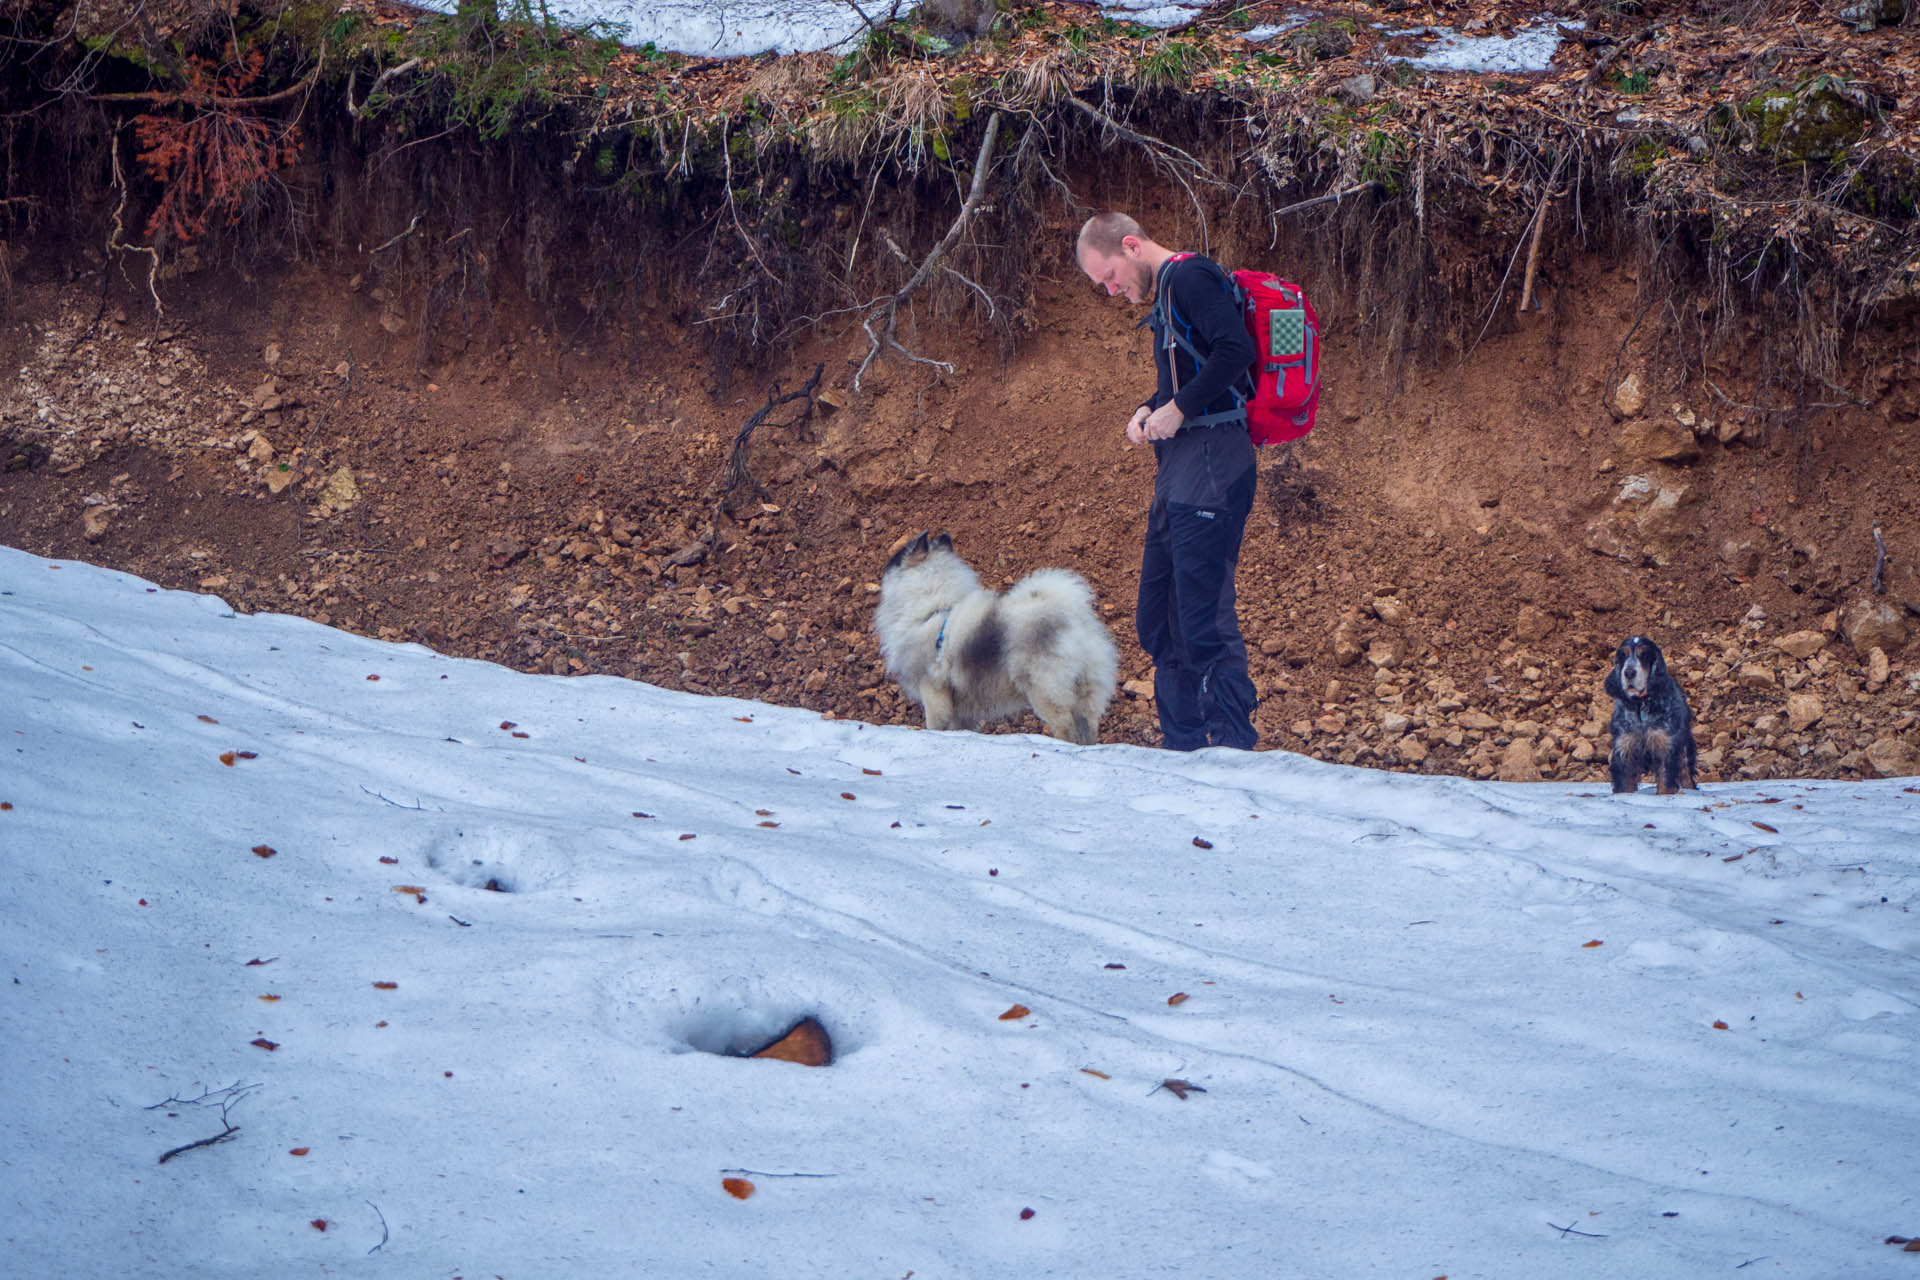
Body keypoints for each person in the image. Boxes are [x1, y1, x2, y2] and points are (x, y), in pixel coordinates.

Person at [1075, 211, 1260, 751]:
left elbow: (1235, 352)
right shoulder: (1166, 297)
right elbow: (1185, 377)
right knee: (1158, 615)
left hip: (1213, 464)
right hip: (1181, 469)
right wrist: (1149, 408)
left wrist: (1177, 409)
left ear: (1131, 246)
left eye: (1109, 276)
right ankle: (1184, 746)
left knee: (1202, 616)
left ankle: (1227, 746)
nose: (1110, 291)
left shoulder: (1189, 277)